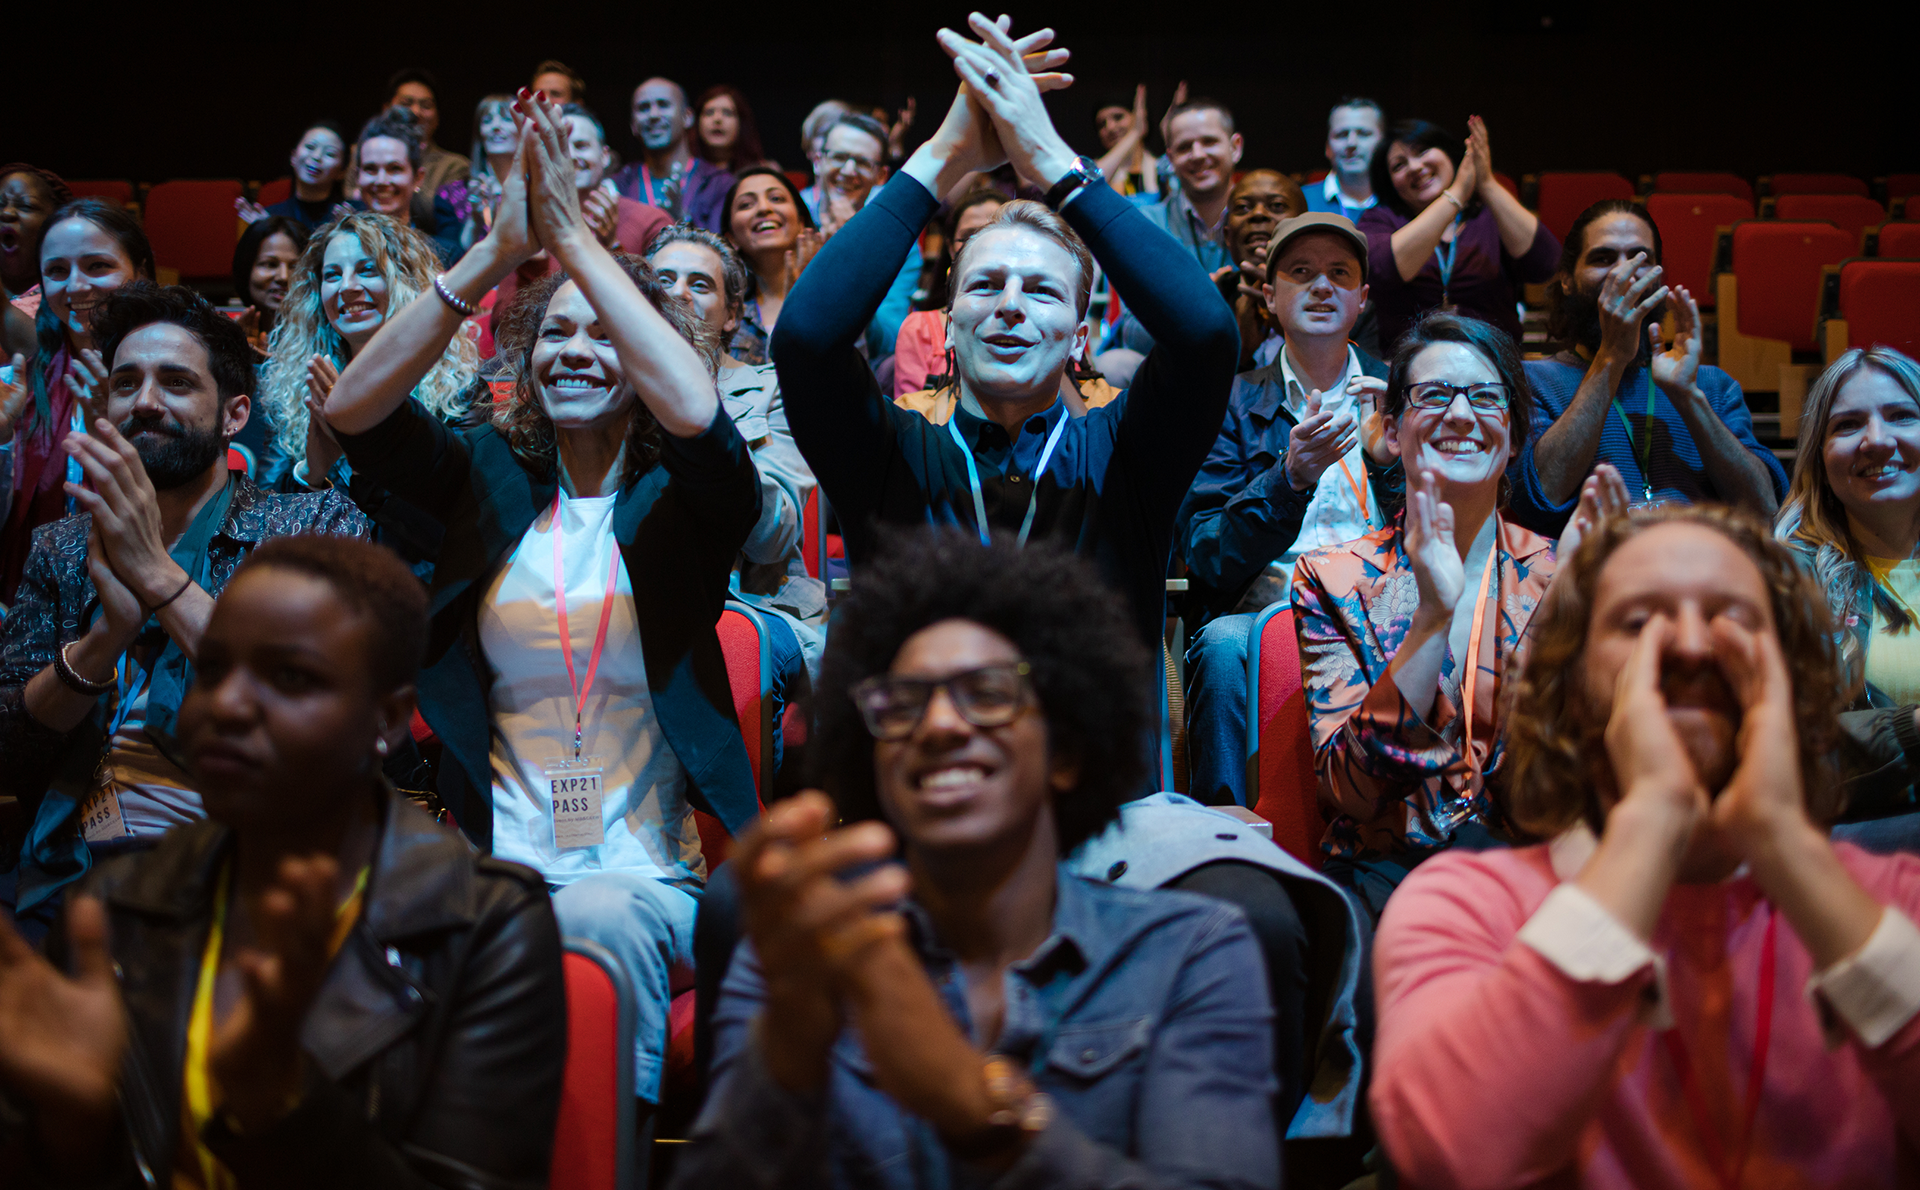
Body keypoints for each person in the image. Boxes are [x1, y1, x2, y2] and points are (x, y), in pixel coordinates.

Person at [322, 91, 761, 1122]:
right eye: (554, 334)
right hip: (498, 862)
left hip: (645, 876)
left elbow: (697, 415)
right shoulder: (486, 477)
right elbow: (352, 410)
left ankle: (599, 1148)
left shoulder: (681, 504)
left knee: (595, 919)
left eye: (605, 334)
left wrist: (574, 240)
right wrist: (491, 251)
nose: (574, 350)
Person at [674, 527, 1280, 1188]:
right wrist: (784, 1055)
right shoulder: (800, 957)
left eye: (988, 694)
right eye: (903, 703)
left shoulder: (1188, 955)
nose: (939, 726)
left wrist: (977, 1106)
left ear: (1068, 750)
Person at [1371, 502, 1920, 1187]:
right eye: (1639, 622)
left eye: (1734, 618)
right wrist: (1655, 814)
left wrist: (1783, 840)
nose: (1689, 645)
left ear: (1794, 679)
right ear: (1569, 686)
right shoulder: (1467, 909)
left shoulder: (1895, 899)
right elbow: (1451, 1154)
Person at [0, 533, 567, 1188]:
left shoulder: (483, 927)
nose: (229, 705)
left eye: (291, 677)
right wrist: (71, 1131)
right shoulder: (118, 903)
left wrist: (281, 1110)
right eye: (211, 671)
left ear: (387, 720)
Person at [775, 18, 1240, 665]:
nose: (1011, 307)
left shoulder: (1124, 458)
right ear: (949, 322)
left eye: (1042, 291)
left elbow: (1209, 334)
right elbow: (803, 338)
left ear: (1081, 337)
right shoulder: (890, 457)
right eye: (986, 285)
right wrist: (944, 159)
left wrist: (1052, 163)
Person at [0, 282, 370, 925]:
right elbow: (9, 746)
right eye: (125, 384)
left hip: (255, 871)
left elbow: (322, 713)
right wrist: (101, 644)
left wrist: (157, 575)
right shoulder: (63, 548)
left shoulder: (310, 528)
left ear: (233, 416)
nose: (145, 402)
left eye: (176, 383)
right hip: (73, 874)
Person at [1291, 311, 1623, 918]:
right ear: (1392, 431)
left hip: (1532, 866)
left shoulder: (1559, 572)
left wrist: (1571, 612)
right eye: (1435, 395)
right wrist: (1433, 616)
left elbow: (1578, 777)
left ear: (1515, 435)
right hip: (1384, 877)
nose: (1462, 415)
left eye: (1487, 398)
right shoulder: (1333, 578)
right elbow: (1350, 790)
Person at [1179, 212, 1394, 807]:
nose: (1322, 286)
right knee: (1223, 643)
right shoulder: (1228, 400)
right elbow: (1204, 553)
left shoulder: (1403, 392)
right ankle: (1226, 834)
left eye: (1339, 274)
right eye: (1302, 273)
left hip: (1388, 602)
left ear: (1362, 298)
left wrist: (1392, 462)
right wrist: (1289, 478)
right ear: (1270, 296)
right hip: (1266, 606)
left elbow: (1446, 527)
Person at [1510, 198, 1785, 535]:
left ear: (1659, 277)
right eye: (1603, 258)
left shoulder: (1711, 385)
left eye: (1640, 259)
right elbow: (1538, 499)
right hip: (1590, 574)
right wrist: (1611, 359)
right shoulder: (1533, 380)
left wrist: (1688, 397)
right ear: (1567, 279)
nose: (1623, 274)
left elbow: (1764, 508)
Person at [646, 223, 825, 675]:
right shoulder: (611, 382)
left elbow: (772, 539)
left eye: (699, 284)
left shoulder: (773, 390)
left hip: (750, 602)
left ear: (731, 315)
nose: (678, 293)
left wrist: (699, 419)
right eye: (663, 280)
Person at [1777, 345, 1920, 849]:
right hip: (1863, 848)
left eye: (1902, 416)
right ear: (1819, 453)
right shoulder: (1787, 580)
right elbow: (1784, 753)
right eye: (1848, 425)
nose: (1877, 441)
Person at [255, 211, 475, 495]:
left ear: (404, 281)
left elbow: (463, 514)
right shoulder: (298, 391)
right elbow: (262, 521)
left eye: (367, 270)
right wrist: (311, 472)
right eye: (332, 275)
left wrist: (367, 451)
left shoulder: (458, 388)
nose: (346, 287)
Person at [1, 199, 154, 601]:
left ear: (139, 272)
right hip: (32, 604)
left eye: (97, 266)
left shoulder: (177, 381)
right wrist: (2, 440)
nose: (75, 286)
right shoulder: (17, 386)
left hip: (141, 601)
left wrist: (117, 429)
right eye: (56, 271)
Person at [1358, 116, 1557, 348]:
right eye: (1399, 165)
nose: (1414, 167)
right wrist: (1458, 193)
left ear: (1449, 153)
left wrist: (1486, 183)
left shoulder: (1490, 216)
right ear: (1389, 181)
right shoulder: (1380, 220)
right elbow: (1383, 271)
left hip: (1494, 364)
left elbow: (1544, 264)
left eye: (1422, 151)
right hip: (1410, 367)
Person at [808, 111, 924, 361]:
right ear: (818, 161)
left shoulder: (897, 241)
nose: (849, 171)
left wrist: (851, 249)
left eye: (862, 162)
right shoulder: (791, 216)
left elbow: (890, 340)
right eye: (838, 157)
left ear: (881, 176)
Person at [890, 185, 1005, 397]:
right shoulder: (919, 328)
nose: (982, 245)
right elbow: (914, 418)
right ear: (951, 248)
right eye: (969, 236)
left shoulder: (1039, 320)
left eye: (994, 233)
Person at [720, 166, 822, 367]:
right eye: (746, 204)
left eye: (776, 199)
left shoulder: (834, 292)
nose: (763, 208)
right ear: (731, 237)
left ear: (801, 221)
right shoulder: (722, 309)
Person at [611, 77, 734, 232]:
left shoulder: (719, 184)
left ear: (687, 117)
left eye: (663, 105)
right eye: (643, 108)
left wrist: (682, 220)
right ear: (633, 125)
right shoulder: (619, 185)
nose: (653, 115)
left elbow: (723, 250)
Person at [1139, 97, 1243, 274]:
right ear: (1170, 159)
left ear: (1235, 148)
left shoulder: (1267, 221)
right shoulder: (1148, 225)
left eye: (1209, 141)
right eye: (1184, 147)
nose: (1197, 155)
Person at [352, 111, 464, 265]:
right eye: (370, 169)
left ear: (418, 178)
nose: (381, 180)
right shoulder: (338, 252)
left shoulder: (445, 255)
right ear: (357, 176)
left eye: (394, 168)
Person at [438, 94, 517, 251]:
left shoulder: (538, 189)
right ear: (479, 134)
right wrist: (475, 221)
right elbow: (452, 256)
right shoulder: (454, 194)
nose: (496, 126)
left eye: (507, 119)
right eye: (487, 121)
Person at [241, 122, 351, 232]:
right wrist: (264, 233)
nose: (316, 157)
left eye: (330, 154)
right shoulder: (270, 218)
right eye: (310, 147)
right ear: (293, 157)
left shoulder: (349, 215)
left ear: (341, 172)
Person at [384, 67, 471, 204]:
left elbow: (444, 213)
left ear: (437, 116)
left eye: (426, 106)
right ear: (386, 109)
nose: (416, 112)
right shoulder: (365, 156)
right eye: (406, 104)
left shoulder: (454, 166)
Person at [228, 216, 307, 354]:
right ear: (246, 271)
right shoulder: (225, 339)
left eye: (295, 266)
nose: (283, 276)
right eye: (270, 264)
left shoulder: (328, 340)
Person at [0, 164, 71, 312]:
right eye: (0, 205)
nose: (6, 213)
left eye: (26, 206)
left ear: (55, 222)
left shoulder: (71, 299)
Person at [1304, 98, 1384, 222]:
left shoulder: (1403, 201)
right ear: (1327, 147)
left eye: (1363, 134)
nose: (1351, 143)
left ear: (1383, 144)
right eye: (1341, 134)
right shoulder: (1301, 201)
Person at [1092, 85, 1161, 199]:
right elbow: (1091, 187)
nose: (1110, 127)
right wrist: (1135, 133)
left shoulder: (1160, 169)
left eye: (1118, 117)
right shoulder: (1096, 171)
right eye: (1101, 124)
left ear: (1139, 118)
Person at [694, 84, 767, 173]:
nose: (717, 119)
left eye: (727, 113)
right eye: (709, 113)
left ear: (741, 122)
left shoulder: (759, 173)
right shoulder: (685, 173)